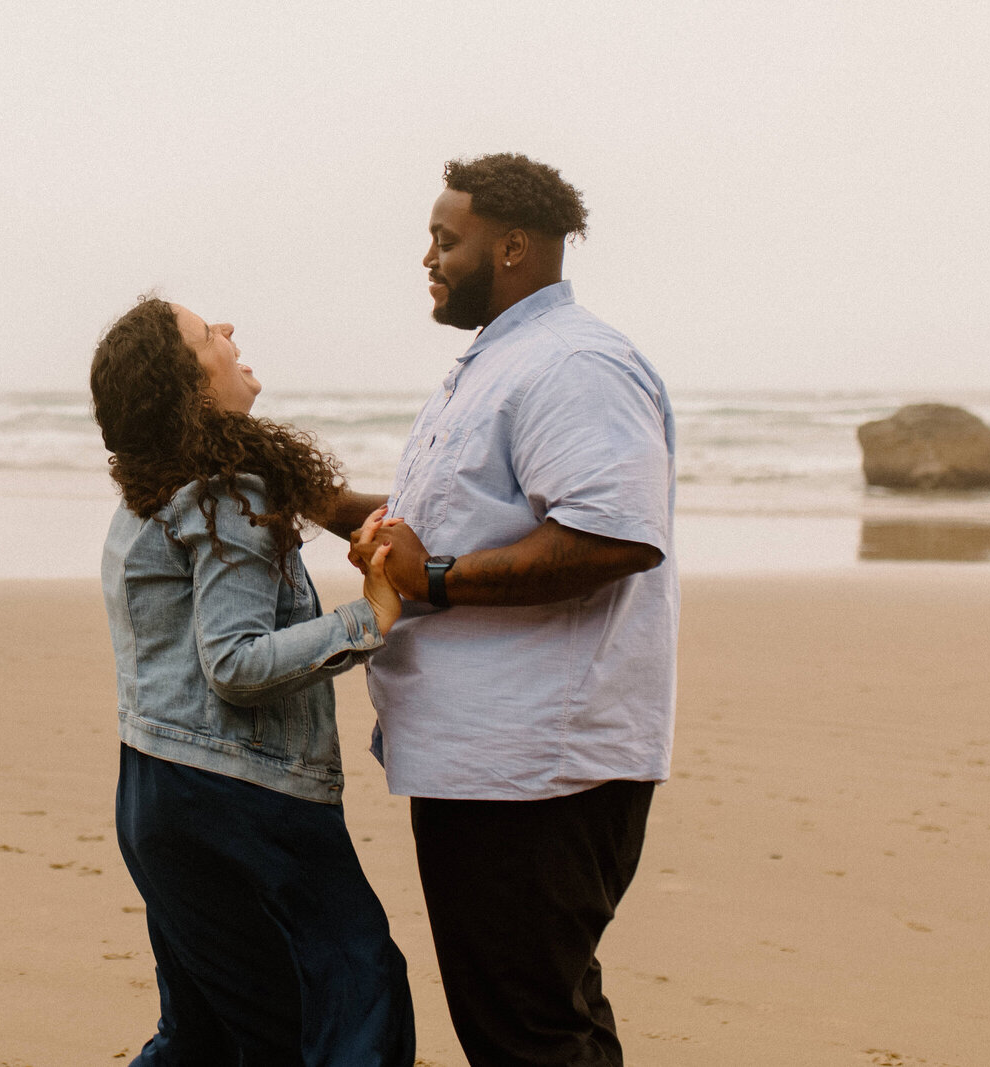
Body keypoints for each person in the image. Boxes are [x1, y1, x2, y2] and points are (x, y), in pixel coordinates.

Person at [333, 153, 678, 1066]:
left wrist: (436, 578)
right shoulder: (497, 362)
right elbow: (446, 523)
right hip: (485, 763)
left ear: (515, 247)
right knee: (529, 1018)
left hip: (536, 771)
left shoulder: (573, 363)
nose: (429, 258)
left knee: (526, 1030)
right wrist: (316, 497)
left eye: (447, 239)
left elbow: (615, 539)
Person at [90, 296, 416, 1066]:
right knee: (355, 1004)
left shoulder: (151, 499)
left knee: (206, 1034)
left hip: (154, 791)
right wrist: (372, 610)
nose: (229, 331)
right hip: (240, 801)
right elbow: (234, 664)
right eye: (208, 334)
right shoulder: (230, 494)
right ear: (192, 388)